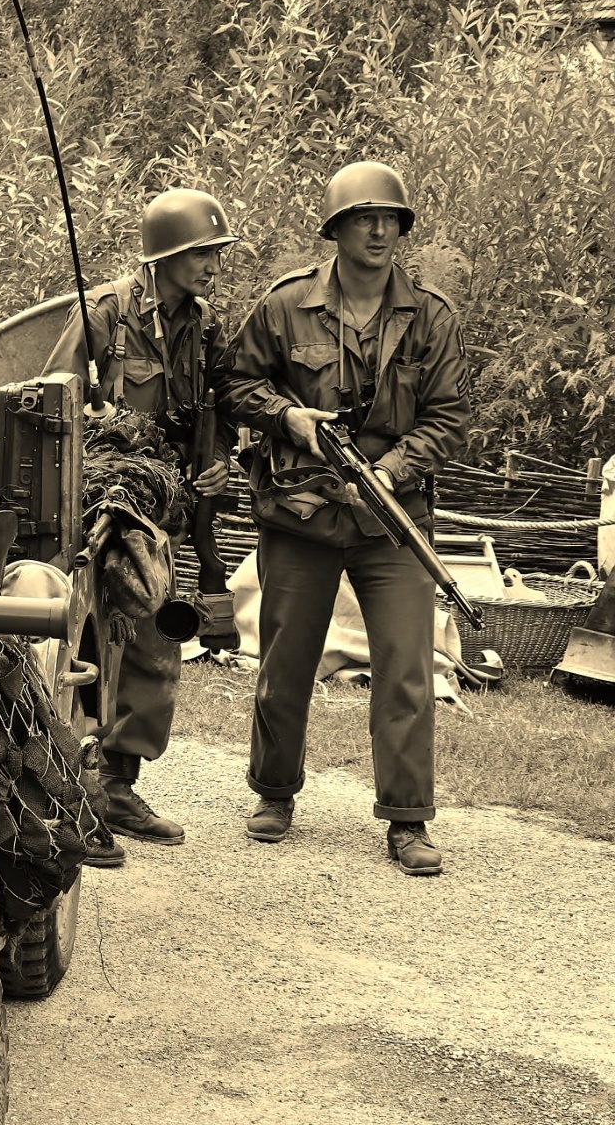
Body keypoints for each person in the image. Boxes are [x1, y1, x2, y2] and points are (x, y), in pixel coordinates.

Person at [220, 161, 472, 875]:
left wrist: (390, 471)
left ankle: (408, 818)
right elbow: (235, 383)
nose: (379, 231)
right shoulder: (284, 305)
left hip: (392, 519)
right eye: (364, 219)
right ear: (336, 229)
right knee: (285, 661)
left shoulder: (432, 317)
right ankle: (274, 792)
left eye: (390, 219)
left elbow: (450, 417)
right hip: (301, 511)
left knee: (407, 668)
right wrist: (288, 417)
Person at [41, 189, 239, 844]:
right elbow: (49, 400)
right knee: (78, 646)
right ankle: (65, 788)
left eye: (215, 253)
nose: (211, 265)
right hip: (94, 507)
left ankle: (118, 788)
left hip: (161, 511)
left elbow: (224, 409)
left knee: (154, 643)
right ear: (164, 256)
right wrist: (98, 421)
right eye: (201, 253)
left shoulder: (207, 328)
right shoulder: (106, 313)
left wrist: (220, 462)